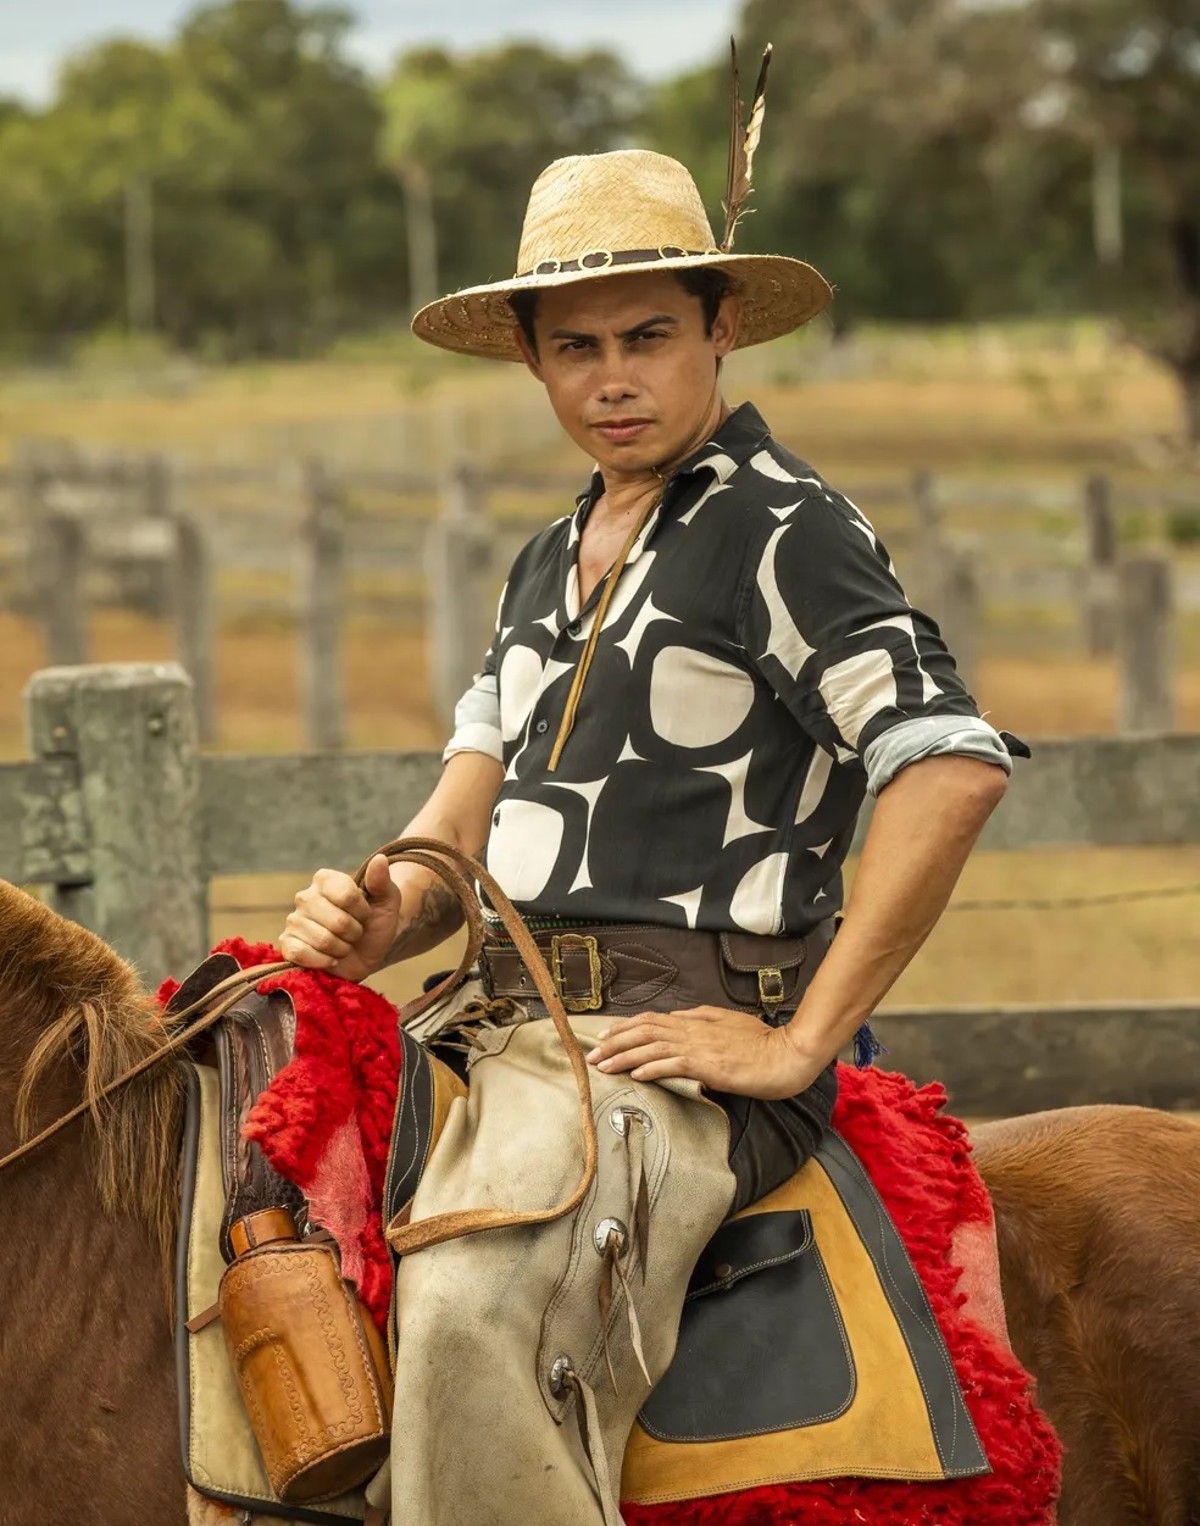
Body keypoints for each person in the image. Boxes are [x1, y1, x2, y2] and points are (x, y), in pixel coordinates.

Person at [280, 147, 1015, 1526]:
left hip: (678, 1056)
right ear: (534, 363)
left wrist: (797, 1043)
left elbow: (948, 765)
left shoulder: (780, 529)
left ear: (718, 331)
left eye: (648, 338)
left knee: (465, 1304)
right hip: (501, 1026)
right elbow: (456, 833)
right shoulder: (543, 556)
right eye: (577, 349)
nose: (614, 378)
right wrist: (381, 913)